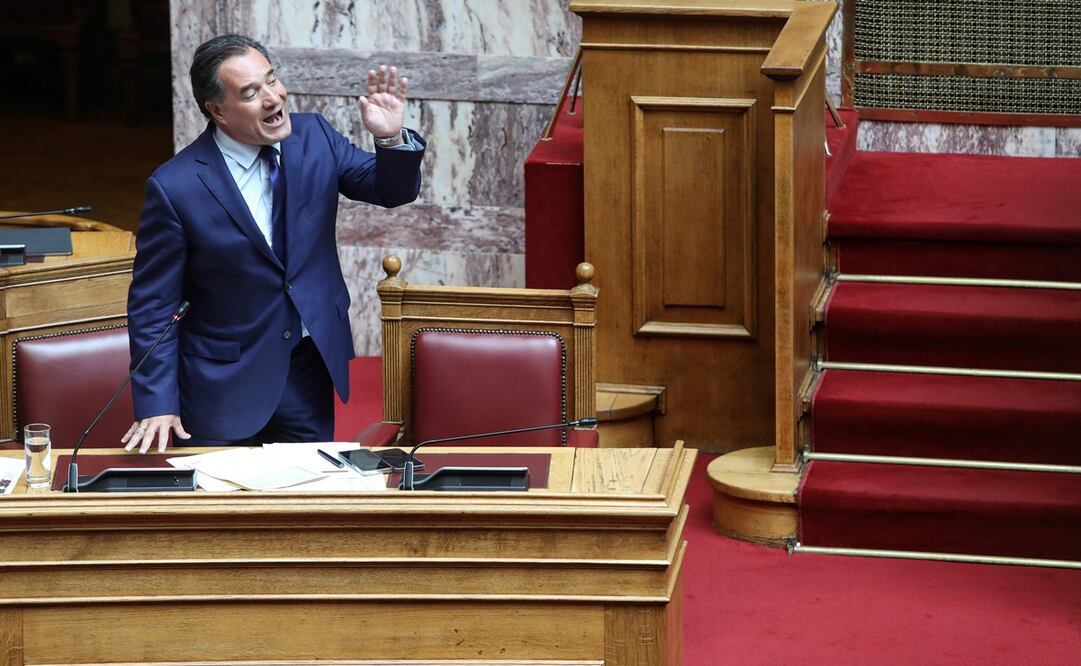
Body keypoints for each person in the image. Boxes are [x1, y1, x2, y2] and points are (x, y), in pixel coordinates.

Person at [121, 34, 425, 453]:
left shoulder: (314, 136)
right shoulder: (176, 187)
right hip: (221, 382)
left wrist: (390, 139)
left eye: (272, 80)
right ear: (217, 110)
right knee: (222, 509)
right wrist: (156, 402)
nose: (272, 97)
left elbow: (389, 189)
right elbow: (153, 304)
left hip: (305, 367)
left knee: (301, 505)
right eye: (250, 92)